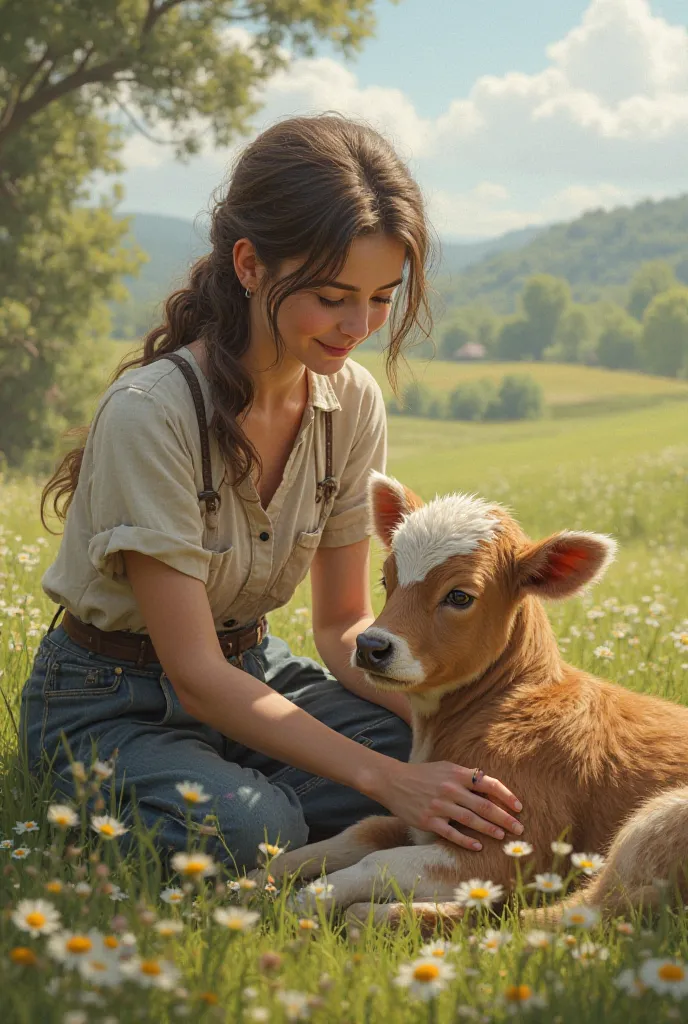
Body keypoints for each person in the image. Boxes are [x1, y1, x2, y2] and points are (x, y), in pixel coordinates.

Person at [20, 113, 524, 872]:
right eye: (332, 296)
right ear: (250, 264)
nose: (359, 325)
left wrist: (465, 734)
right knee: (260, 828)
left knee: (433, 757)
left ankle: (258, 791)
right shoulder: (152, 412)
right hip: (110, 697)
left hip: (254, 667)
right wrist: (390, 782)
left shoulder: (351, 401)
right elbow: (194, 673)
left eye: (383, 297)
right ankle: (235, 801)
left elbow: (343, 624)